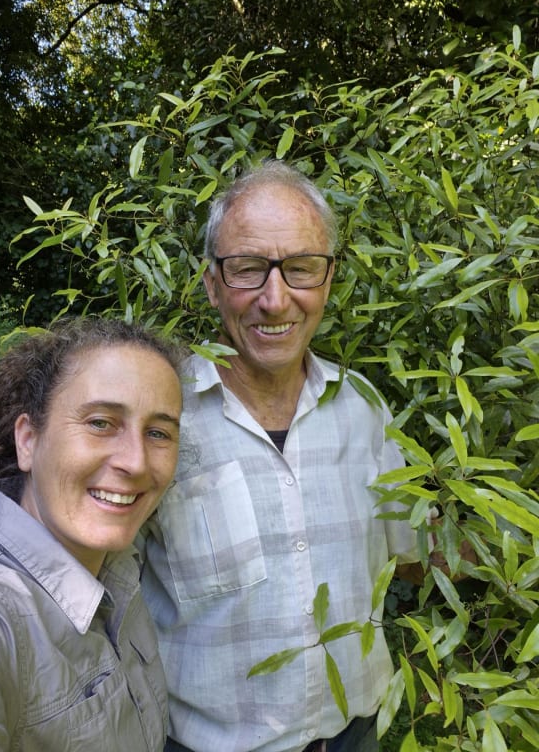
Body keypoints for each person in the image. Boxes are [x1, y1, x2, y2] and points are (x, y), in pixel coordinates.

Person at [141, 161, 421, 752]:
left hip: (355, 736)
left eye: (301, 267)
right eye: (247, 269)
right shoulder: (159, 417)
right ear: (212, 283)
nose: (275, 300)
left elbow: (415, 554)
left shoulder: (365, 407)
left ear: (328, 279)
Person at [0, 317, 183, 752]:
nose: (136, 462)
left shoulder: (120, 564)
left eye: (158, 433)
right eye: (101, 423)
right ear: (28, 441)